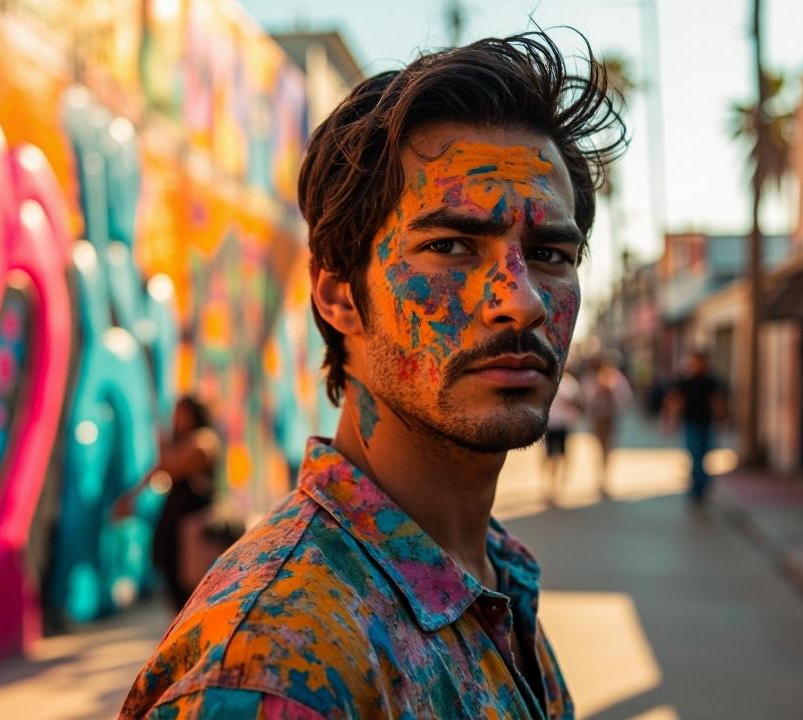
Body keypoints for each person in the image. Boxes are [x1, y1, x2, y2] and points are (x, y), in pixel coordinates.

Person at [120, 31, 624, 719]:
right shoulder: (278, 666)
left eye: (548, 253)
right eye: (450, 246)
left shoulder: (493, 576)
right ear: (337, 296)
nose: (523, 300)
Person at [113, 394, 223, 611]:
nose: (176, 418)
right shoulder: (180, 442)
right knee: (172, 576)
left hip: (195, 523)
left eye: (181, 412)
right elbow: (157, 471)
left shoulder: (203, 439)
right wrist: (133, 496)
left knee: (192, 582)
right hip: (175, 521)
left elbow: (173, 465)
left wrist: (161, 444)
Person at [663, 351, 728, 506]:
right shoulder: (685, 382)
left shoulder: (710, 382)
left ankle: (701, 486)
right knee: (695, 455)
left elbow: (717, 402)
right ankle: (697, 488)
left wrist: (722, 420)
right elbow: (675, 401)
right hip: (691, 424)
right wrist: (671, 421)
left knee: (704, 455)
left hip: (706, 424)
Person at [582, 353, 632, 498]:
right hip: (597, 418)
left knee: (607, 447)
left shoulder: (616, 378)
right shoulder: (591, 379)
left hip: (610, 418)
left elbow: (624, 398)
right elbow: (586, 400)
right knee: (599, 447)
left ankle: (605, 477)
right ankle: (600, 477)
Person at [542, 369, 581, 504]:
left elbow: (576, 402)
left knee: (561, 453)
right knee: (550, 454)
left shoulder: (569, 383)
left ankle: (559, 479)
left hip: (562, 423)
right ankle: (551, 481)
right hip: (550, 424)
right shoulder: (546, 382)